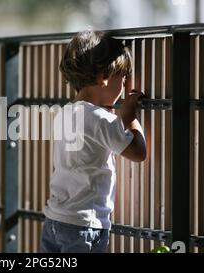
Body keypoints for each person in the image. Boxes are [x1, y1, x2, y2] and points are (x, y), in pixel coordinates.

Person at [41, 29, 147, 253]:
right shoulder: (101, 120)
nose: (125, 85)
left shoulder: (66, 113)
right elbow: (138, 152)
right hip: (84, 225)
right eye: (123, 77)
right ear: (104, 77)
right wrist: (129, 117)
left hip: (54, 219)